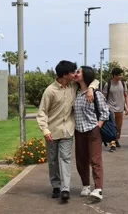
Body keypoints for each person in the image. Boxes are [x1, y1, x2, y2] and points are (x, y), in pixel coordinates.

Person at [36, 60, 94, 202]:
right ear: (64, 75)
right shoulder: (50, 91)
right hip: (52, 131)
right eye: (72, 72)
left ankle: (65, 189)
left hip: (67, 130)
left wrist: (91, 88)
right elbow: (42, 112)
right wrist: (45, 130)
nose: (75, 74)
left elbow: (93, 80)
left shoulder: (73, 86)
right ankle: (56, 185)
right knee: (53, 160)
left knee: (65, 158)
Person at [74, 66, 109, 201]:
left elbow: (105, 112)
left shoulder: (96, 94)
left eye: (78, 72)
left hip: (93, 130)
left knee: (95, 160)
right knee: (81, 160)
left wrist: (98, 126)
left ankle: (98, 189)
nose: (76, 74)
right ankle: (85, 185)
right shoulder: (75, 92)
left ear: (86, 75)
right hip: (79, 131)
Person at [102, 67, 128, 152]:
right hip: (110, 108)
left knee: (119, 127)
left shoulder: (123, 83)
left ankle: (116, 139)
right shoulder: (108, 84)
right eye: (119, 75)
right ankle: (112, 144)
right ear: (114, 75)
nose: (121, 76)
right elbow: (104, 97)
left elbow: (126, 95)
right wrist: (104, 108)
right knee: (112, 127)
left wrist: (127, 106)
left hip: (120, 108)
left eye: (121, 75)